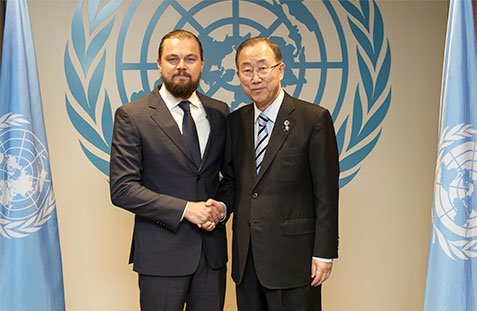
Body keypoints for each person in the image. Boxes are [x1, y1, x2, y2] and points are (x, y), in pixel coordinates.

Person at [216, 36, 340, 310]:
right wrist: (220, 208)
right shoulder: (236, 122)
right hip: (246, 261)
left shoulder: (313, 119)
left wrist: (324, 252)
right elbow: (235, 182)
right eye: (246, 70)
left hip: (294, 260)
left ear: (280, 70)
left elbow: (326, 192)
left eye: (262, 67)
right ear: (238, 76)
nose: (255, 77)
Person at [109, 29, 229, 311]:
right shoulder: (133, 116)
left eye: (190, 59)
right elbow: (123, 189)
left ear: (202, 64)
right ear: (159, 64)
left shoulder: (220, 112)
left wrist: (221, 208)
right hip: (160, 255)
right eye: (173, 59)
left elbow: (231, 178)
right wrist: (187, 209)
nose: (181, 66)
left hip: (211, 257)